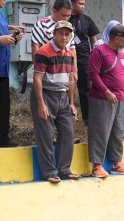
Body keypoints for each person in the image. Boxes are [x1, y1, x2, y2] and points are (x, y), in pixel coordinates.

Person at [31, 21, 79, 183]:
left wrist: (72, 103)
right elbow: (37, 78)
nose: (64, 37)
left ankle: (64, 170)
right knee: (46, 134)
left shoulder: (70, 54)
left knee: (68, 133)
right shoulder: (44, 51)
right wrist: (41, 103)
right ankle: (50, 172)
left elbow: (71, 79)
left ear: (70, 36)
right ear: (54, 34)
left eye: (67, 34)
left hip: (63, 97)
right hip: (45, 94)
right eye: (61, 33)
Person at [87, 24, 124, 178]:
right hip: (102, 99)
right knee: (100, 130)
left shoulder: (122, 55)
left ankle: (116, 162)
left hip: (119, 100)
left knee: (117, 132)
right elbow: (93, 75)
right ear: (117, 38)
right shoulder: (99, 51)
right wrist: (106, 91)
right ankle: (97, 165)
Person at [69, 0, 99, 125]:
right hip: (66, 58)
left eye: (84, 4)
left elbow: (93, 40)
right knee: (66, 88)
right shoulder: (65, 18)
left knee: (85, 88)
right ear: (72, 3)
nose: (83, 6)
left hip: (83, 59)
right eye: (80, 4)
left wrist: (94, 55)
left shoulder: (87, 20)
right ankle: (67, 118)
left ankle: (87, 120)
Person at [0, 0, 25, 147]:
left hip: (3, 69)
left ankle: (3, 139)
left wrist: (13, 33)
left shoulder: (2, 15)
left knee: (4, 105)